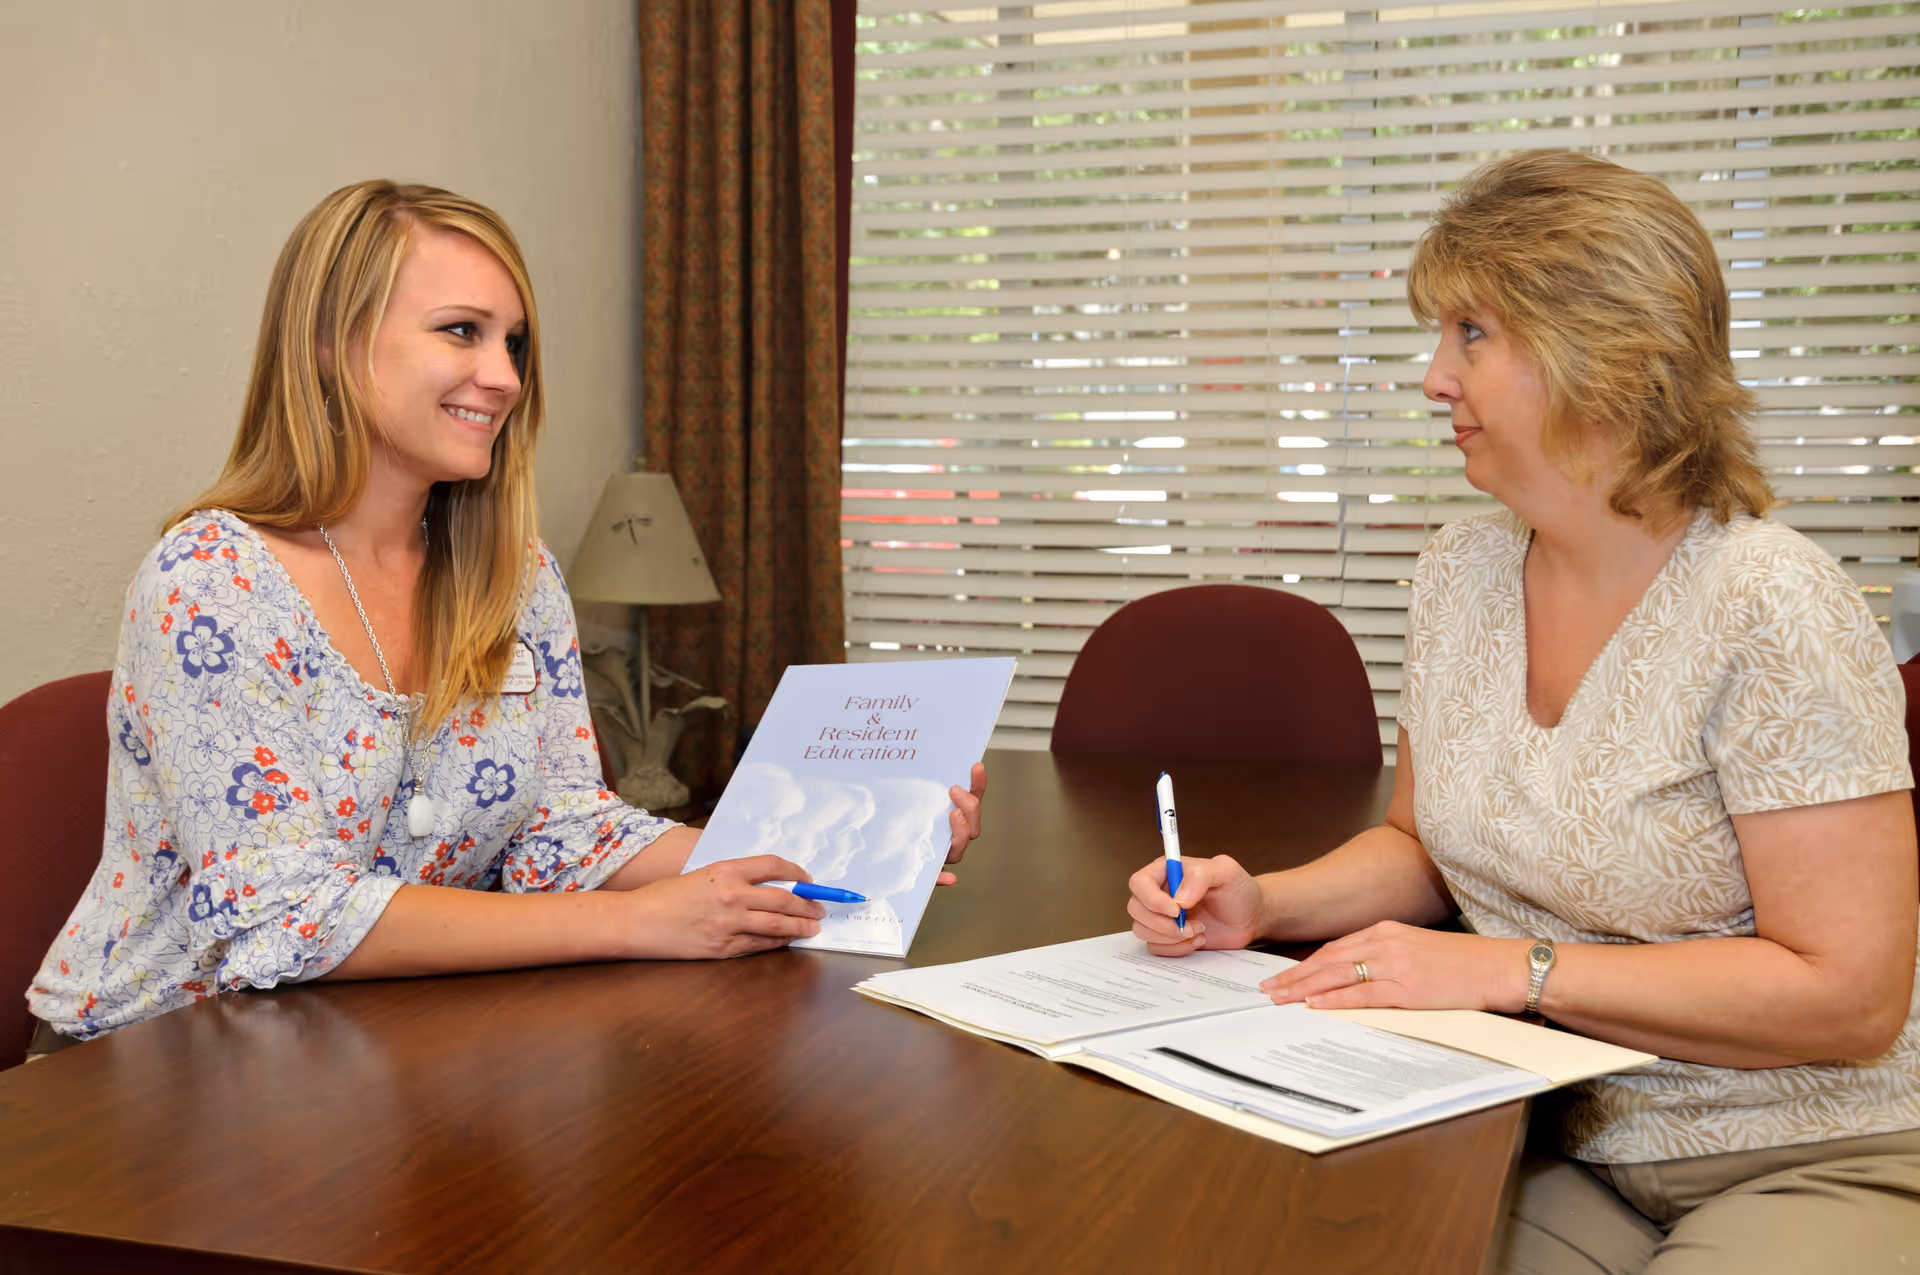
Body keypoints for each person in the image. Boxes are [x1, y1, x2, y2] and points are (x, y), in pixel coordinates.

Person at [1127, 152, 1920, 1272]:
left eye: (1472, 334)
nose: (1434, 378)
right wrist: (1261, 903)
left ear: (1602, 348)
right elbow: (1423, 843)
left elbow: (1852, 999)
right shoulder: (1459, 572)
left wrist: (1515, 971)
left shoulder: (1772, 602)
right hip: (1559, 1129)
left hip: (1810, 1147)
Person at [26, 180, 986, 1053]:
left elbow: (558, 825)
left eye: (513, 343)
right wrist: (643, 923)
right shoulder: (209, 581)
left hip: (381, 1043)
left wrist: (836, 845)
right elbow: (281, 913)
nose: (505, 378)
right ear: (330, 342)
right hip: (156, 1065)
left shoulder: (514, 575)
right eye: (461, 331)